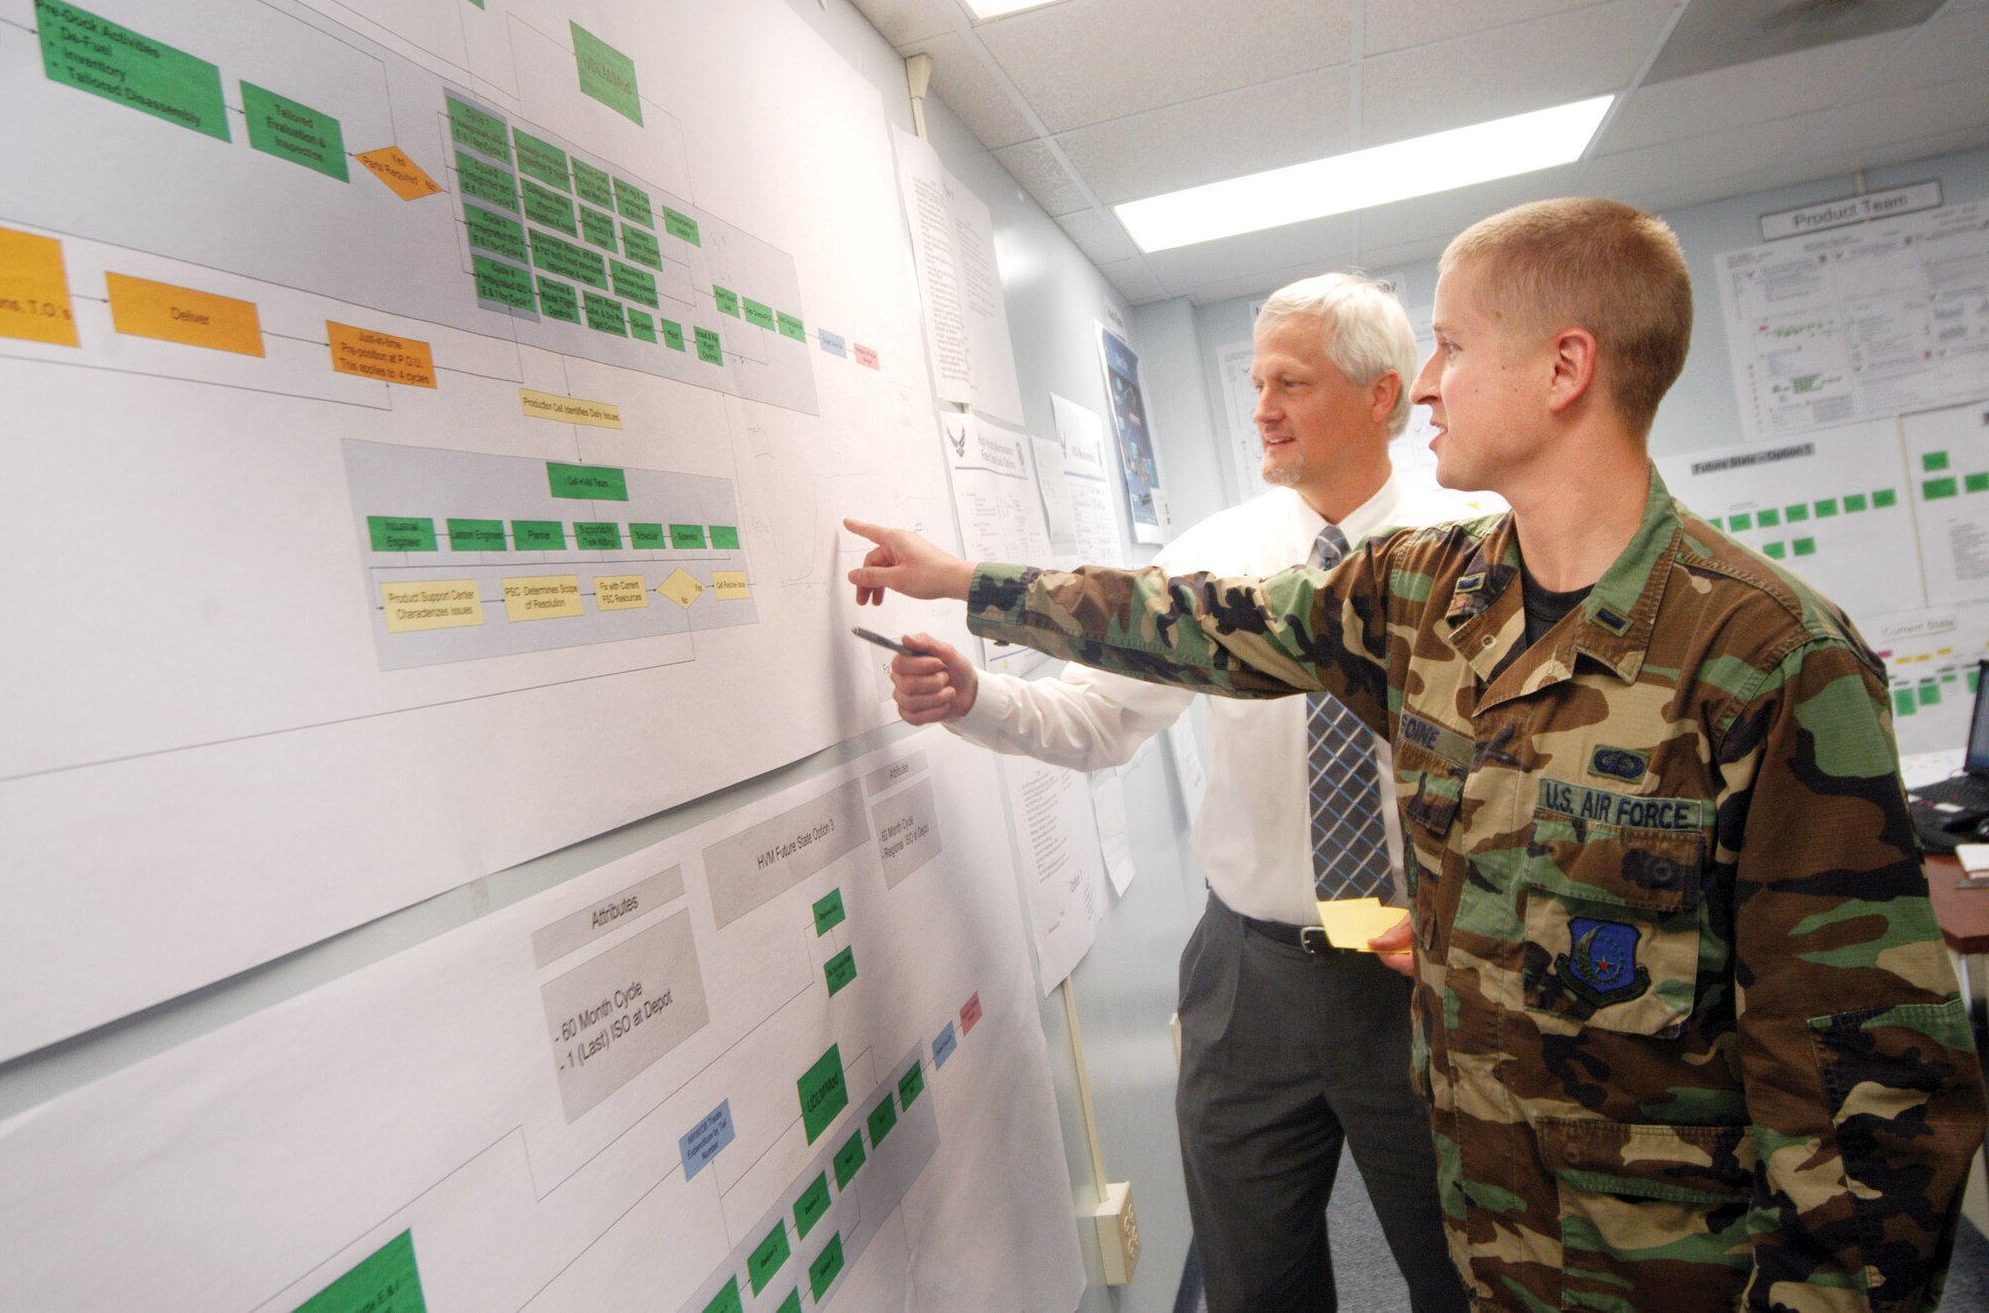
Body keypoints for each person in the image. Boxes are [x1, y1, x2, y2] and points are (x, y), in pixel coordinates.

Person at [844, 198, 1988, 1312]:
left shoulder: (1767, 653)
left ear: (1563, 368)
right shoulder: (1427, 593)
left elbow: (1862, 1072)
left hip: (1665, 1261)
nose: (1427, 382)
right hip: (1491, 1222)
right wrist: (967, 584)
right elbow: (1198, 619)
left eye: (1448, 344)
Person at [884, 275, 1472, 1313]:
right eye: (1255, 383)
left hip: (1420, 970)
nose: (1262, 408)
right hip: (1250, 977)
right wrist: (978, 698)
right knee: (1253, 1281)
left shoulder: (1472, 548)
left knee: (1462, 1271)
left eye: (1290, 381)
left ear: (1382, 396)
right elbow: (1100, 719)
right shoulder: (1217, 554)